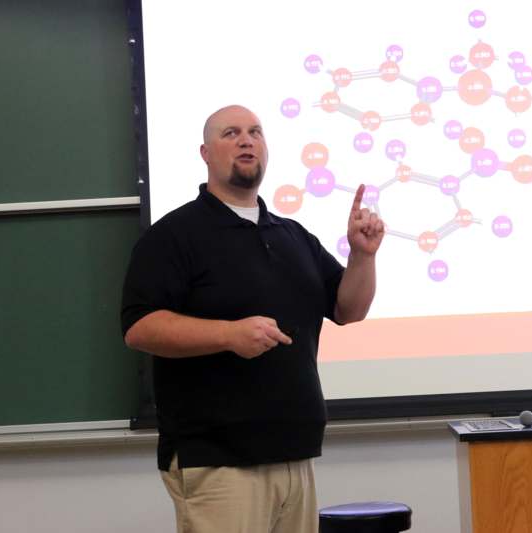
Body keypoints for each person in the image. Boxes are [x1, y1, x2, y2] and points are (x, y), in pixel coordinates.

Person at [121, 104, 384, 533]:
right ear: (205, 153)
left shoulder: (292, 235)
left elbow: (348, 309)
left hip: (294, 453)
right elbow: (139, 327)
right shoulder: (173, 236)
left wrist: (362, 256)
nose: (246, 140)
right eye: (231, 133)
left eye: (255, 132)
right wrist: (228, 334)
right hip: (218, 459)